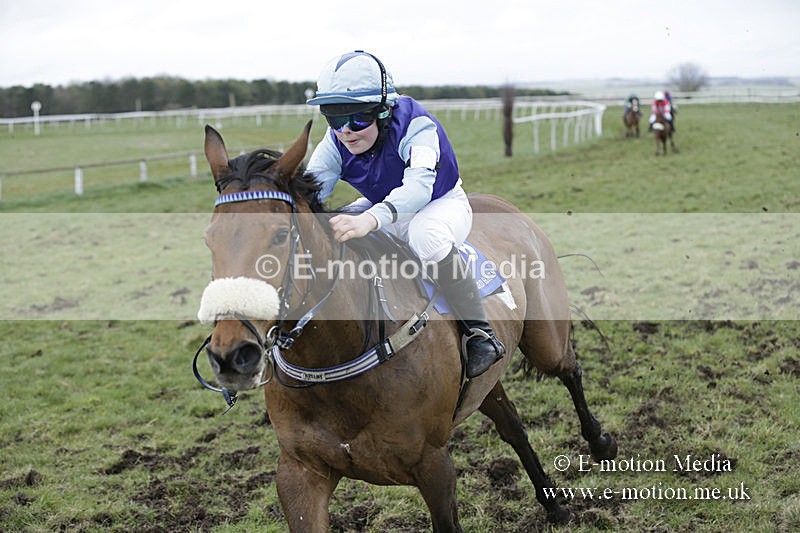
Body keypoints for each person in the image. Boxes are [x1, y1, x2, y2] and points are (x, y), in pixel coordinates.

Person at [305, 50, 505, 379]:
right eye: (335, 119)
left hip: (439, 203)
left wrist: (369, 219)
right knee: (332, 228)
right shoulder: (335, 140)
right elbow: (309, 189)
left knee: (426, 236)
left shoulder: (417, 126)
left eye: (357, 119)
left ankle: (480, 334)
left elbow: (418, 189)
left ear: (384, 111)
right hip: (384, 204)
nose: (345, 131)